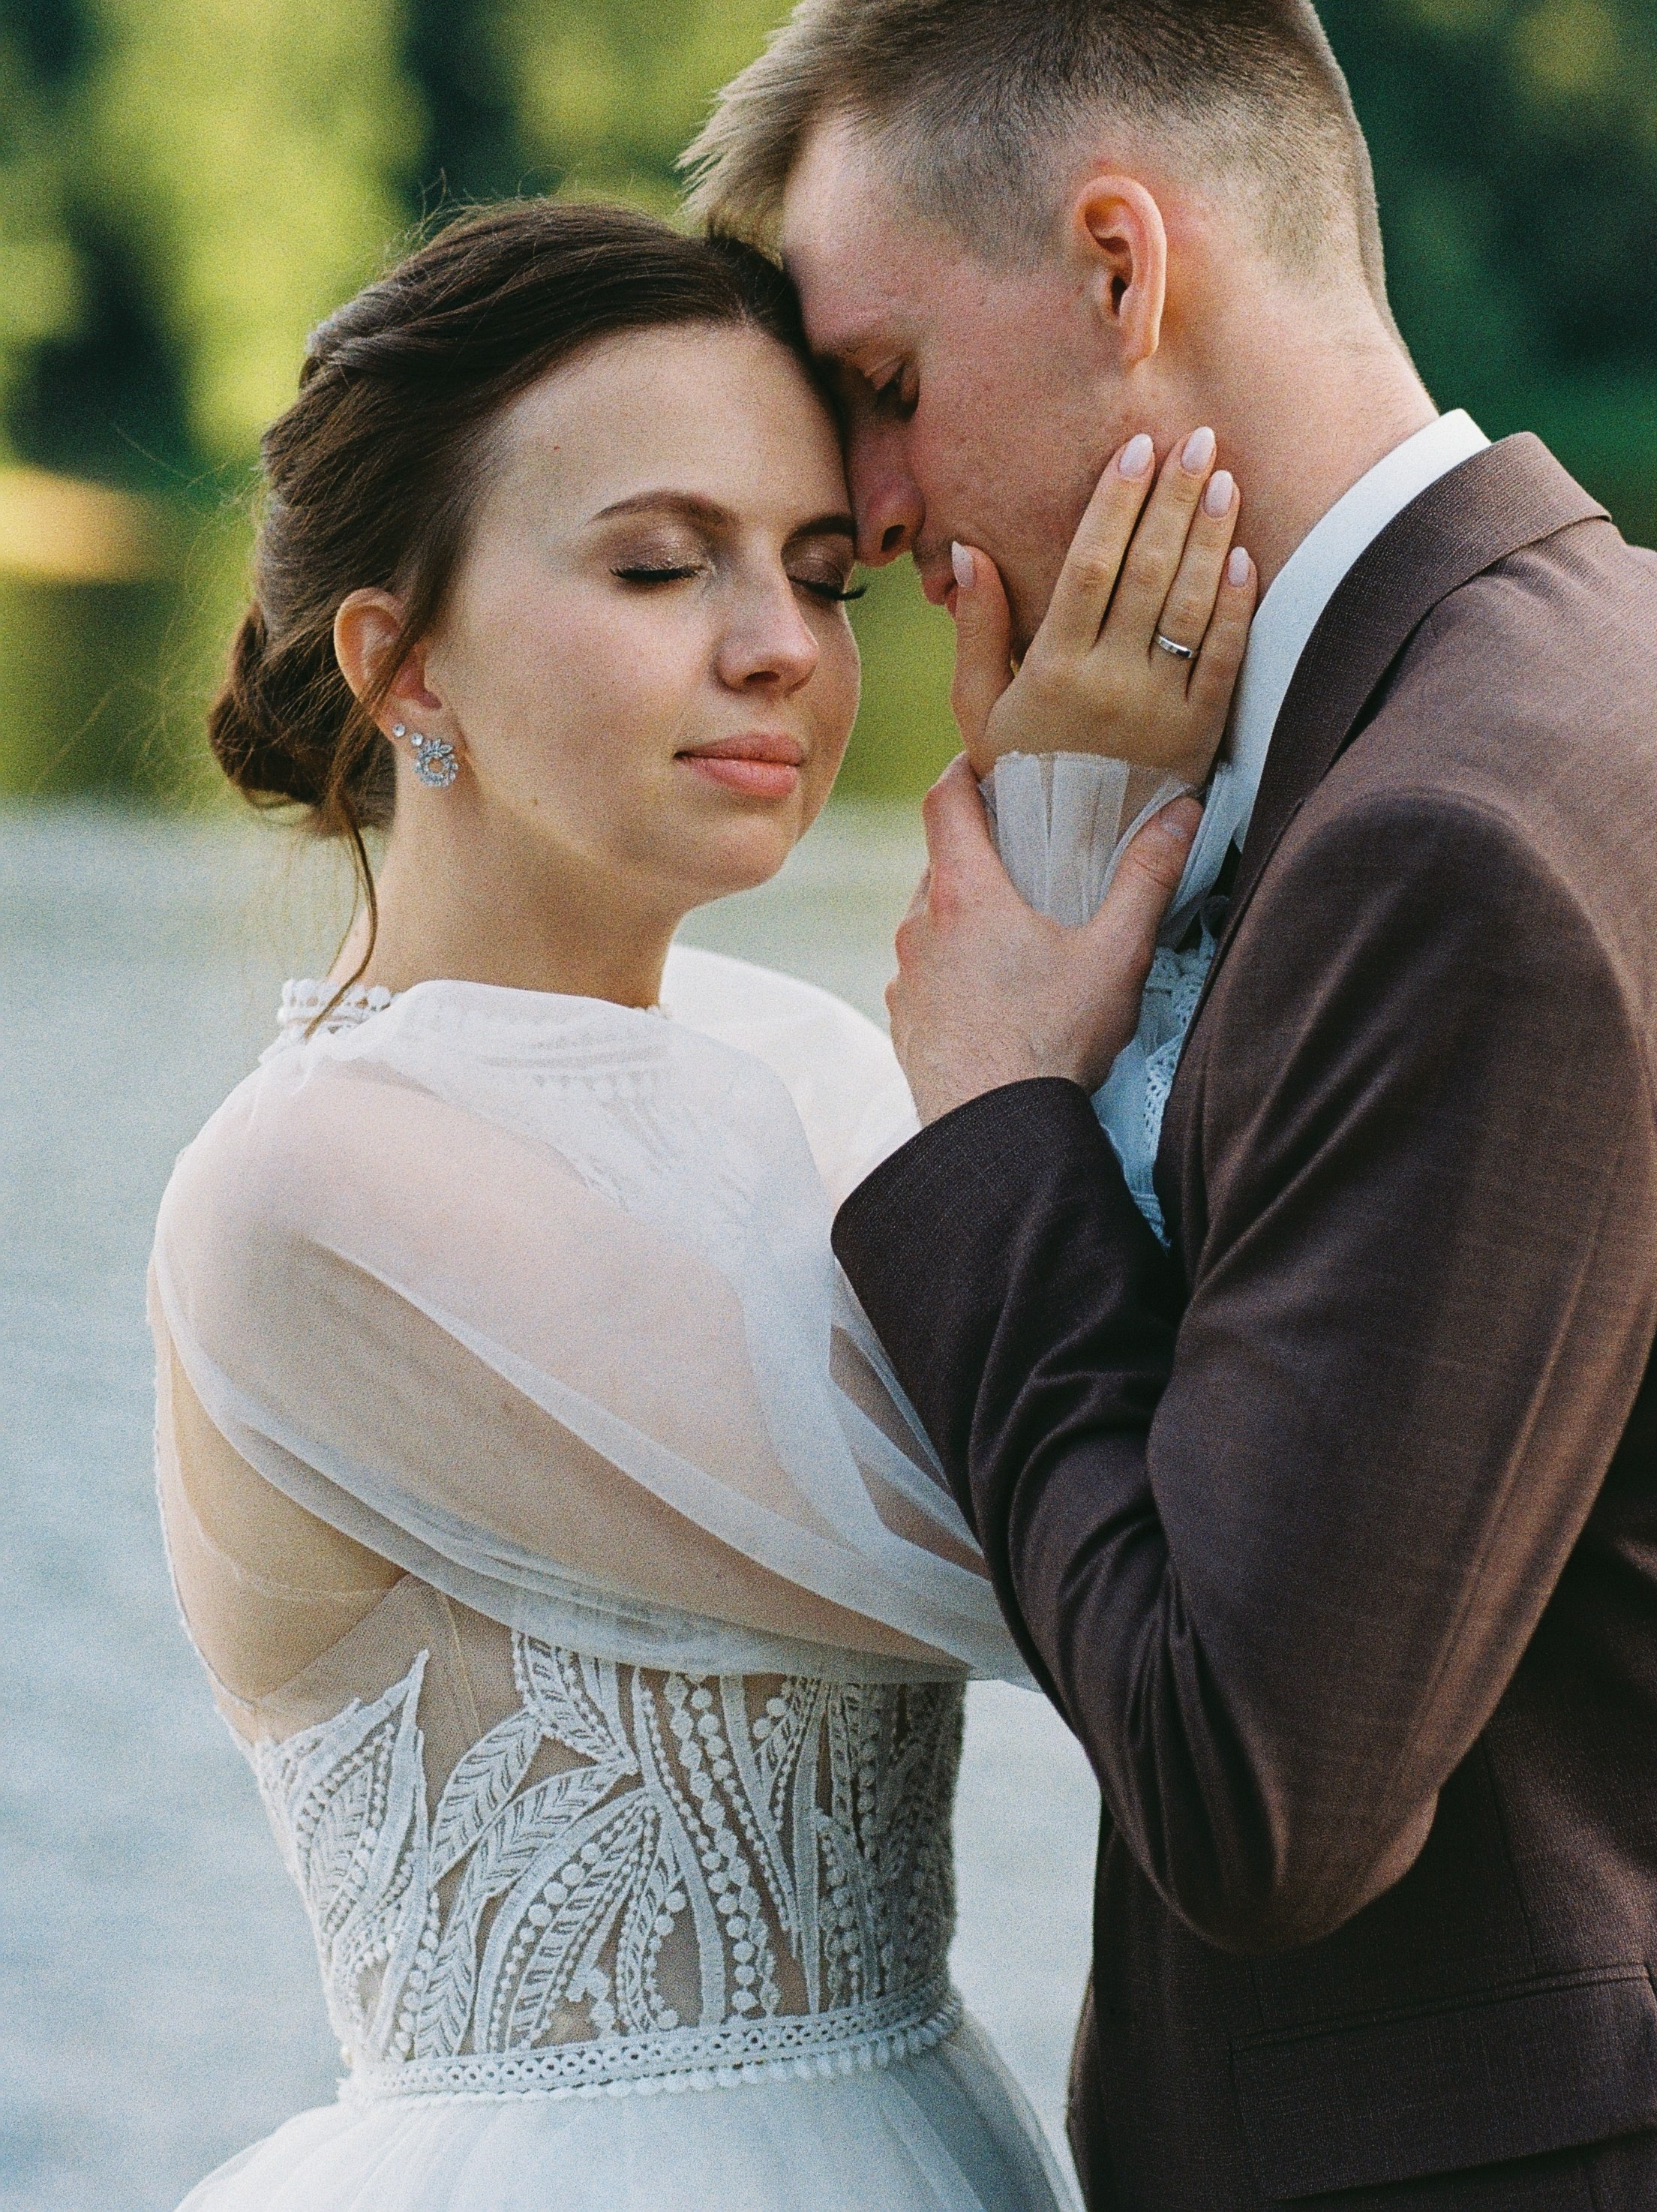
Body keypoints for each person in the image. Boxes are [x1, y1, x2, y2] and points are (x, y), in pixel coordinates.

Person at [686, 0, 1657, 2210]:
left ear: (1121, 265)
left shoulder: (1452, 850)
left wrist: (996, 1111)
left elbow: (1250, 1788)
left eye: (883, 390)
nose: (872, 509)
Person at [149, 197, 1253, 2212]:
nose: (776, 647)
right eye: (660, 564)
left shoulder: (813, 1064)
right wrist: (1078, 845)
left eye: (820, 575)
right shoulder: (318, 1188)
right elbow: (1062, 1546)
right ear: (401, 663)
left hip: (918, 2124)